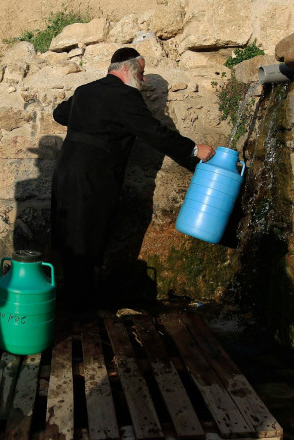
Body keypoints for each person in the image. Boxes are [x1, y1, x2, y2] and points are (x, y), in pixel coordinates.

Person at [50, 47, 215, 311]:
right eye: (142, 71)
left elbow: (59, 114)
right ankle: (80, 311)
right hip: (93, 176)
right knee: (87, 239)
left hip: (66, 172)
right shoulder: (126, 96)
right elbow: (153, 132)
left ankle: (75, 301)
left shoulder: (85, 90)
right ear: (127, 68)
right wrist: (194, 150)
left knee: (73, 236)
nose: (144, 78)